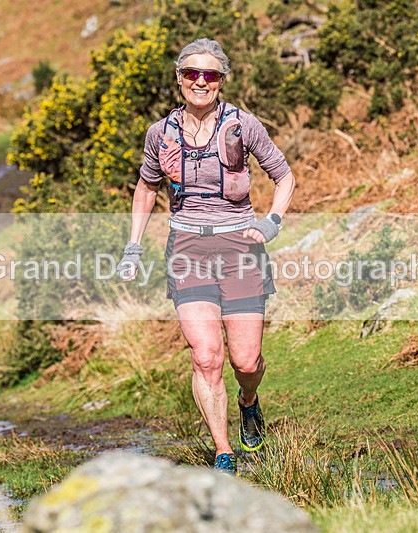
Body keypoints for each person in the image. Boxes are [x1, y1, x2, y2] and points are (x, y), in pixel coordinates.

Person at [117, 38, 296, 475]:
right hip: (188, 249)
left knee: (246, 361)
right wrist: (133, 247)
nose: (201, 81)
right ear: (179, 78)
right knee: (206, 356)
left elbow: (284, 175)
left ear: (221, 80)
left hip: (240, 248)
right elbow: (146, 188)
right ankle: (223, 452)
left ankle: (248, 401)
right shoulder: (160, 133)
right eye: (192, 74)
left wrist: (271, 222)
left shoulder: (242, 125)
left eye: (211, 74)